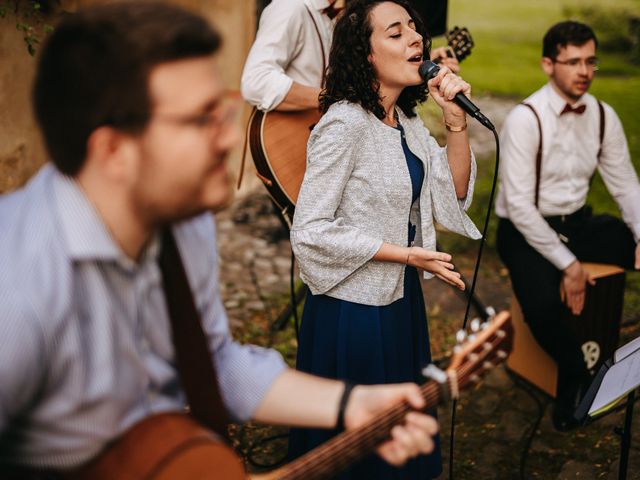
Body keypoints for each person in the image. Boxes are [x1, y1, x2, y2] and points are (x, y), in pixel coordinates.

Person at [0, 2, 441, 474]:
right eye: (200, 119)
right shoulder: (18, 286)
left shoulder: (185, 221)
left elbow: (215, 363)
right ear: (113, 151)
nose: (231, 139)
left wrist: (349, 403)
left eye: (224, 108)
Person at [289, 1, 481, 478]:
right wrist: (407, 254)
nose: (416, 38)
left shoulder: (408, 124)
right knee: (360, 456)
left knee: (398, 440)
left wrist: (455, 122)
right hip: (351, 314)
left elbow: (452, 193)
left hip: (398, 302)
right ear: (366, 54)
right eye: (396, 33)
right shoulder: (344, 124)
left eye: (414, 28)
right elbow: (309, 230)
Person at [495, 20, 640, 431]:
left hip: (577, 224)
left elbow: (625, 183)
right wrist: (569, 266)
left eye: (591, 61)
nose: (584, 72)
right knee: (542, 308)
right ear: (548, 64)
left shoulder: (602, 115)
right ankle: (577, 376)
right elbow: (520, 208)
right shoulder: (525, 119)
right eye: (573, 62)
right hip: (524, 231)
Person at [240, 0, 459, 114]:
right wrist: (332, 98)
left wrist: (419, 62)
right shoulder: (290, 7)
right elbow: (256, 81)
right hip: (294, 139)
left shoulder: (337, 13)